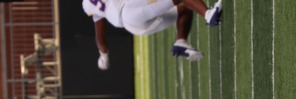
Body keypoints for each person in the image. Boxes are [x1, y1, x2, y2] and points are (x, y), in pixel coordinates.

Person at [82, 0, 223, 69]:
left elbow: (100, 38)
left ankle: (180, 42)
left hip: (132, 26)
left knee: (184, 11)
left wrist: (104, 57)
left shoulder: (87, 5)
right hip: (130, 9)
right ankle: (209, 15)